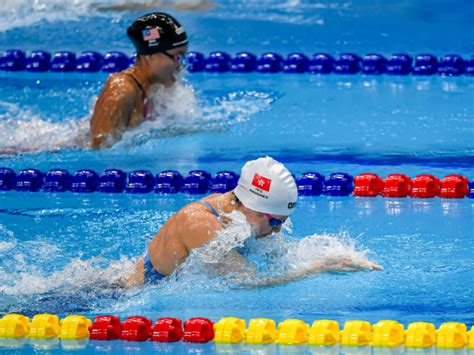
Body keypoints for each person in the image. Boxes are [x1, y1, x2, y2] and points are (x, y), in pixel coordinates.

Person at [127, 157, 382, 287]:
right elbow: (249, 283)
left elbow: (280, 262)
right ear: (255, 208)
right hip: (121, 295)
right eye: (275, 222)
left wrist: (336, 255)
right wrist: (320, 267)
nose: (278, 229)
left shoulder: (243, 216)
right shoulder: (201, 225)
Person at [90, 12, 188, 149]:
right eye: (176, 57)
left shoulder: (154, 88)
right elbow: (100, 152)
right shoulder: (122, 91)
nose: (181, 65)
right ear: (150, 55)